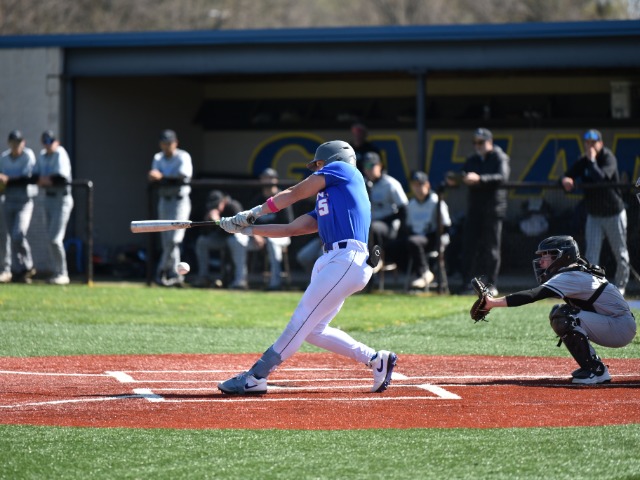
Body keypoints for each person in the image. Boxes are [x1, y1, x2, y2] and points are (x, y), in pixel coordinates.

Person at [216, 140, 397, 395]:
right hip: (334, 261)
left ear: (335, 160)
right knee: (313, 330)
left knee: (300, 320)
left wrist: (253, 212)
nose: (318, 170)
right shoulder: (332, 198)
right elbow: (293, 229)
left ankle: (255, 377)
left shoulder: (344, 170)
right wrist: (245, 229)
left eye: (321, 165)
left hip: (347, 258)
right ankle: (376, 359)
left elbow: (294, 193)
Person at [481, 235, 636, 384]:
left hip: (619, 326)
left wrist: (491, 302)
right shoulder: (575, 271)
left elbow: (533, 295)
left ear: (563, 256)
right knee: (561, 313)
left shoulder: (572, 275)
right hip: (617, 323)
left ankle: (595, 370)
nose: (542, 261)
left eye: (547, 255)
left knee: (564, 317)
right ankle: (593, 366)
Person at [561, 129, 629, 295]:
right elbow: (567, 175)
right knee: (591, 253)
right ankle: (593, 288)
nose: (590, 146)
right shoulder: (583, 161)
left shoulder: (608, 158)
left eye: (593, 143)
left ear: (601, 143)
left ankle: (620, 287)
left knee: (620, 252)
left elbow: (601, 179)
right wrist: (565, 179)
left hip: (613, 213)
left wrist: (592, 161)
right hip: (594, 215)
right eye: (587, 143)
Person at [448, 127, 509, 294]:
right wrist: (456, 179)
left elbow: (502, 177)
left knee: (492, 249)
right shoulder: (472, 159)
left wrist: (480, 179)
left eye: (481, 142)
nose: (477, 146)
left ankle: (492, 284)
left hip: (493, 209)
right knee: (469, 246)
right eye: (475, 142)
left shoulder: (499, 157)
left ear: (490, 142)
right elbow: (464, 173)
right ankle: (467, 284)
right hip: (475, 208)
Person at [389, 171, 451, 289]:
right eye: (414, 185)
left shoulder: (436, 201)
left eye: (420, 185)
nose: (417, 188)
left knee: (414, 242)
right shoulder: (411, 204)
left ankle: (424, 272)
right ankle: (416, 272)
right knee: (394, 246)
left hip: (433, 238)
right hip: (416, 237)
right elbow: (408, 226)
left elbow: (446, 225)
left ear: (427, 185)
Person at [148, 129, 192, 287]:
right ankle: (175, 275)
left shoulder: (183, 156)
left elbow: (182, 176)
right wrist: (155, 177)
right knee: (167, 241)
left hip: (179, 201)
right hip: (164, 201)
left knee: (174, 239)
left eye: (169, 143)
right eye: (164, 143)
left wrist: (162, 177)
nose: (167, 146)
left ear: (176, 143)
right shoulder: (158, 157)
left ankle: (161, 271)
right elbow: (153, 177)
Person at [35, 130, 74, 285]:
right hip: (48, 199)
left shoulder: (60, 153)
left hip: (61, 199)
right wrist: (44, 180)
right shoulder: (42, 155)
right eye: (45, 142)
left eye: (50, 141)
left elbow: (60, 178)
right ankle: (56, 272)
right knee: (50, 239)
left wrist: (45, 180)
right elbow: (34, 177)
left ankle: (63, 274)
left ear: (56, 142)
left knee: (55, 239)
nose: (48, 145)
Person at [247, 168, 295, 290]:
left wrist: (267, 234)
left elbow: (288, 225)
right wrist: (256, 235)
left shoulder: (282, 198)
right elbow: (248, 221)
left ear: (276, 180)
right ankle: (240, 280)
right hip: (259, 237)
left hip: (281, 236)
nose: (267, 181)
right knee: (237, 241)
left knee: (272, 242)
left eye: (270, 178)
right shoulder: (257, 199)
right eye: (265, 178)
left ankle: (275, 282)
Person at [0, 130, 37, 283]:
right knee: (8, 237)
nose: (16, 145)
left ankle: (28, 266)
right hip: (8, 200)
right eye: (13, 142)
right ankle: (16, 270)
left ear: (23, 143)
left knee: (18, 234)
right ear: (9, 143)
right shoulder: (4, 158)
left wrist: (7, 179)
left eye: (18, 142)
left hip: (24, 202)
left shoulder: (28, 155)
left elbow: (26, 178)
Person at [193, 190, 249, 290]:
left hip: (238, 238)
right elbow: (204, 233)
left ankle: (240, 280)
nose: (214, 208)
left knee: (234, 241)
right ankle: (203, 277)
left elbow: (238, 227)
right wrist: (207, 222)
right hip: (223, 239)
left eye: (216, 205)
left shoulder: (233, 206)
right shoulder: (211, 210)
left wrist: (218, 221)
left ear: (223, 201)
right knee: (202, 242)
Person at [362, 151, 408, 254]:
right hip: (370, 223)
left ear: (379, 166)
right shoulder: (362, 184)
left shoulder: (390, 183)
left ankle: (376, 258)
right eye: (365, 166)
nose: (368, 169)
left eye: (371, 165)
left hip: (389, 225)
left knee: (372, 228)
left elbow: (404, 210)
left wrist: (401, 233)